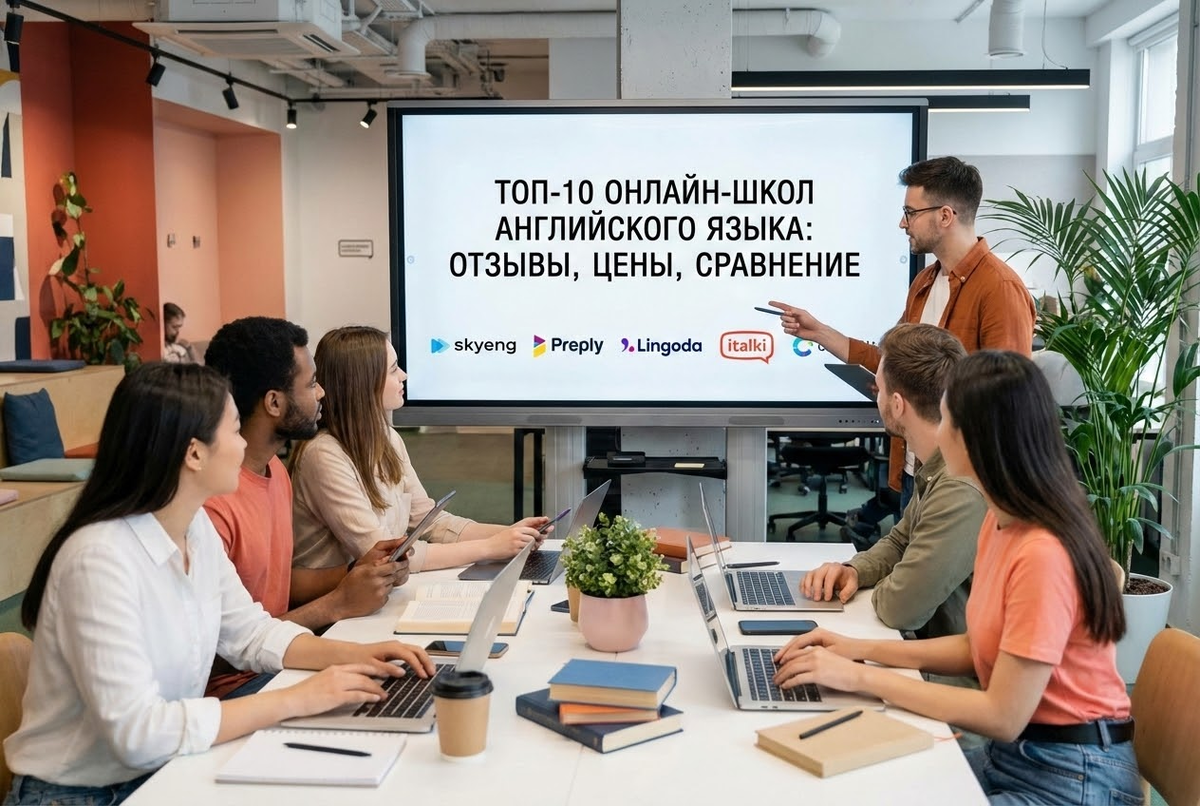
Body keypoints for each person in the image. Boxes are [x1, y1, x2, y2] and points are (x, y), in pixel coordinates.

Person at [2, 363, 433, 806]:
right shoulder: (98, 560)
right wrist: (298, 698)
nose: (245, 444)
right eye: (234, 431)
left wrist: (357, 654)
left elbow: (250, 633)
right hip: (81, 795)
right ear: (194, 454)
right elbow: (139, 735)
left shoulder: (193, 528)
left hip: (160, 770)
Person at [773, 351, 1140, 804]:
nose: (938, 431)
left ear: (976, 439)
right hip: (1021, 755)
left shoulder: (1042, 553)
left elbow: (1002, 714)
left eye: (946, 419)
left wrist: (860, 678)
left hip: (1073, 776)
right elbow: (977, 646)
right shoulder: (1001, 521)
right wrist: (856, 649)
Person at [769, 155, 1036, 528]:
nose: (902, 223)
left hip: (964, 484)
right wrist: (820, 332)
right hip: (916, 471)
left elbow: (1006, 405)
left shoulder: (999, 289)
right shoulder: (925, 282)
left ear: (945, 216)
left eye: (910, 213)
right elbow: (891, 358)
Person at [202, 317, 407, 699]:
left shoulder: (276, 471)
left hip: (284, 656)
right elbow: (213, 657)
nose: (323, 392)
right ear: (274, 402)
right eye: (312, 384)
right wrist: (335, 605)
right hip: (239, 686)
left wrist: (359, 572)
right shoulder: (212, 507)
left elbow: (277, 584)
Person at [289, 325, 550, 576]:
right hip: (342, 601)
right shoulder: (323, 455)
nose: (403, 375)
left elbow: (429, 521)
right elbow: (385, 556)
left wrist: (509, 533)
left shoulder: (387, 437)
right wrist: (489, 547)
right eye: (393, 370)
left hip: (383, 590)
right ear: (364, 383)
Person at [800, 323, 984, 639]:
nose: (877, 397)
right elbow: (900, 541)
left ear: (897, 404)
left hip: (946, 661)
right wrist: (855, 571)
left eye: (879, 389)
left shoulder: (958, 487)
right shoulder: (938, 464)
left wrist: (890, 584)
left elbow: (900, 608)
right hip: (925, 646)